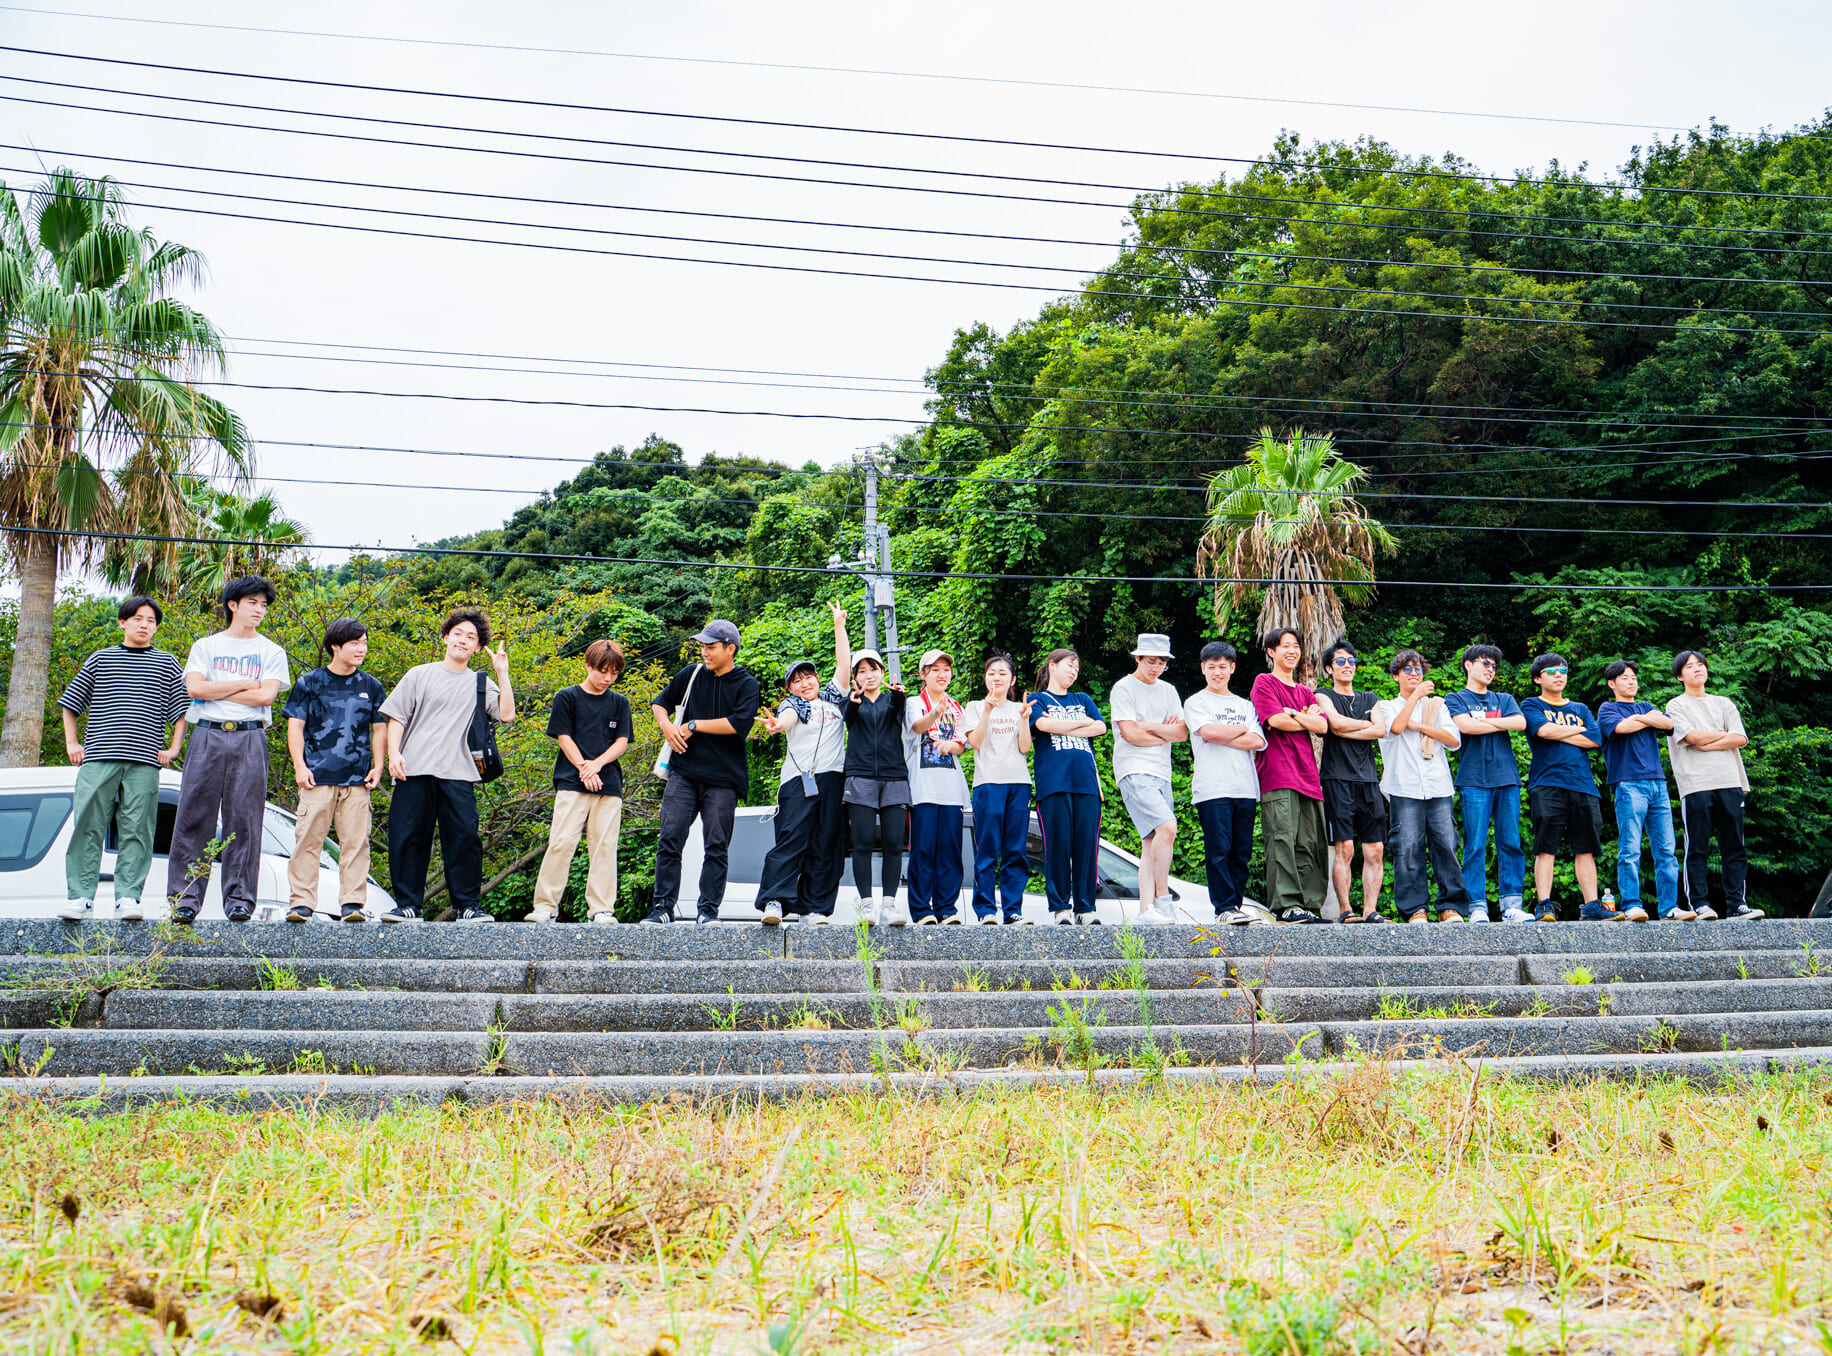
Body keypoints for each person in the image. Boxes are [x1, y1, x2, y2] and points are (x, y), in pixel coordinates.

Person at [57, 595, 189, 922]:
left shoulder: (167, 663)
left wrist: (173, 749)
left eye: (151, 621)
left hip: (144, 760)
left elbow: (183, 710)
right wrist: (73, 743)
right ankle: (80, 897)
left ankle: (128, 897)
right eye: (138, 619)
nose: (145, 625)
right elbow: (71, 703)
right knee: (87, 824)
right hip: (99, 756)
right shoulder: (101, 659)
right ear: (123, 622)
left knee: (138, 828)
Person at [167, 576, 290, 925]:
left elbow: (265, 697)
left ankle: (239, 901)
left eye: (264, 605)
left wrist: (215, 688)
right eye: (253, 602)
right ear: (233, 604)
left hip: (250, 738)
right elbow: (194, 688)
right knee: (193, 817)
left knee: (245, 822)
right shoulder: (206, 646)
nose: (260, 610)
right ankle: (185, 899)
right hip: (207, 735)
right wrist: (242, 683)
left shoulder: (271, 651)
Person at [381, 608, 515, 924]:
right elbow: (397, 716)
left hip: (459, 773)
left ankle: (467, 906)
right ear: (445, 637)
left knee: (464, 839)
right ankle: (407, 905)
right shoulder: (419, 674)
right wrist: (394, 754)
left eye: (472, 637)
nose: (463, 641)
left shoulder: (481, 683)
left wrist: (502, 672)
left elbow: (506, 714)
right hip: (414, 769)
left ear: (479, 647)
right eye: (458, 634)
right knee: (408, 837)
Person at [648, 619, 761, 925]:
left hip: (724, 780)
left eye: (711, 647)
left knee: (716, 846)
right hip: (684, 774)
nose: (704, 652)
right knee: (669, 839)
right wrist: (668, 728)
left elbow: (738, 725)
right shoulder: (692, 674)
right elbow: (660, 703)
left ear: (730, 649)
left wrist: (693, 725)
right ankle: (662, 908)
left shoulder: (747, 684)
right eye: (702, 646)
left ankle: (707, 911)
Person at [282, 618, 388, 924]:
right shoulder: (310, 682)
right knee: (307, 843)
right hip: (316, 777)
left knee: (356, 844)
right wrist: (299, 767)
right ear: (335, 646)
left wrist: (378, 766)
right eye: (355, 643)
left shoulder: (371, 686)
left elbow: (380, 728)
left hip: (357, 779)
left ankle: (352, 903)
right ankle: (301, 903)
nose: (361, 649)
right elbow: (295, 726)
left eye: (364, 643)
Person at [755, 602, 850, 926]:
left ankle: (815, 908)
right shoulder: (792, 705)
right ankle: (774, 902)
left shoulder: (834, 699)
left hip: (833, 778)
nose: (804, 683)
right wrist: (778, 725)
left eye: (808, 677)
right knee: (792, 840)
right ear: (789, 688)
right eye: (796, 680)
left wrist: (839, 626)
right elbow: (787, 717)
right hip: (798, 781)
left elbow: (844, 665)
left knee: (827, 844)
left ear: (816, 678)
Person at [527, 639, 634, 925]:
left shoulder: (620, 702)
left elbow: (622, 741)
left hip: (609, 784)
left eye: (614, 673)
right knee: (561, 842)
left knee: (605, 846)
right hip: (571, 782)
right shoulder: (567, 697)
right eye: (603, 671)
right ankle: (546, 906)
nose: (608, 679)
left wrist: (597, 765)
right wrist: (584, 769)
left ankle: (601, 909)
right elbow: (564, 736)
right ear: (588, 665)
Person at [1521, 653, 1619, 922]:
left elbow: (1596, 739)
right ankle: (1544, 905)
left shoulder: (1580, 708)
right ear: (1537, 678)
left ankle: (1591, 905)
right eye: (1551, 671)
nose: (1559, 675)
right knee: (1546, 847)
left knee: (1586, 848)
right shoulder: (1531, 704)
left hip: (1583, 785)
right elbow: (1543, 732)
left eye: (1563, 670)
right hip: (1547, 783)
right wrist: (1577, 732)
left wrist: (1562, 731)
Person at [1375, 650, 1470, 924]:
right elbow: (1395, 728)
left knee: (1446, 845)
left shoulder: (1436, 706)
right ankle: (1414, 908)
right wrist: (1415, 698)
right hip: (1403, 786)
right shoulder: (1386, 706)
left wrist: (1419, 725)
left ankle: (1450, 906)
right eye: (1407, 669)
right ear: (1395, 676)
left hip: (1438, 785)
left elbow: (1453, 739)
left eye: (1418, 669)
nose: (1415, 674)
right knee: (1407, 847)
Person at [1665, 650, 1760, 920]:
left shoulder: (1724, 703)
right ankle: (1700, 904)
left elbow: (1740, 738)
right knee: (1698, 845)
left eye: (1701, 665)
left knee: (1735, 846)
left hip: (1730, 780)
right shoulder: (1676, 705)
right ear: (1679, 676)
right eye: (1690, 666)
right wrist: (1721, 736)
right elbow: (1691, 737)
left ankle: (1737, 904)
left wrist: (1708, 742)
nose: (1697, 669)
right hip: (1695, 783)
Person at [1183, 641, 1268, 925]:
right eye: (1211, 667)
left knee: (1241, 852)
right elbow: (1206, 731)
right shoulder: (1196, 702)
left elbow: (1257, 741)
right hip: (1212, 787)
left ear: (1232, 668)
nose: (1217, 672)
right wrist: (1239, 729)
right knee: (1218, 849)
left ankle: (1237, 906)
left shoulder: (1244, 704)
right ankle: (1223, 908)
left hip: (1245, 786)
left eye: (1222, 667)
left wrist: (1223, 733)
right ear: (1203, 669)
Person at [1249, 628, 1330, 923]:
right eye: (1285, 646)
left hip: (1308, 775)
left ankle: (1309, 904)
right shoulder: (1264, 682)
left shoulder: (1306, 691)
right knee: (1282, 837)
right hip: (1277, 773)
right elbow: (1275, 720)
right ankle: (1286, 905)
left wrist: (1293, 714)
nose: (1292, 651)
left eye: (1295, 646)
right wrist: (1301, 717)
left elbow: (1322, 727)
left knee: (1311, 842)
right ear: (1271, 651)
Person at [1445, 645, 1530, 924]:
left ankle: (1511, 906)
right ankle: (1477, 906)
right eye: (1485, 663)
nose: (1490, 669)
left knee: (1511, 842)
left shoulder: (1503, 697)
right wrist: (1497, 722)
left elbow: (1519, 723)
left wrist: (1483, 721)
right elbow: (1465, 727)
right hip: (1473, 780)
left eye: (1494, 665)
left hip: (1507, 779)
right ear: (1468, 665)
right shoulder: (1456, 697)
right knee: (1475, 845)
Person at [1109, 633, 1187, 925]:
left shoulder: (1168, 690)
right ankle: (1163, 899)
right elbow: (1129, 734)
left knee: (1151, 840)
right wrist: (1161, 733)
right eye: (1150, 661)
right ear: (1138, 658)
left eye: (1161, 663)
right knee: (1168, 828)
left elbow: (1180, 734)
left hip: (1161, 772)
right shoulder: (1124, 688)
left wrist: (1149, 726)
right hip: (1133, 769)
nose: (1155, 667)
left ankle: (1145, 911)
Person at [1598, 660, 1682, 922]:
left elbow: (1668, 724)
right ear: (1612, 683)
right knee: (1630, 849)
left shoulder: (1644, 706)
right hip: (1627, 783)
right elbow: (1621, 728)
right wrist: (1646, 720)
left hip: (1657, 783)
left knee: (1666, 849)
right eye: (1625, 677)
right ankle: (1632, 904)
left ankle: (1670, 907)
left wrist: (1639, 718)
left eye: (1633, 676)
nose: (1631, 681)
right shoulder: (1607, 708)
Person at [1028, 648, 1107, 924]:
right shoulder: (1038, 699)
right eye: (1068, 665)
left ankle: (1085, 909)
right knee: (1058, 847)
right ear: (1052, 665)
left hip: (1086, 783)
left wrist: (1066, 725)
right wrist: (1080, 722)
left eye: (1077, 667)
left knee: (1087, 847)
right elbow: (1042, 724)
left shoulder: (1082, 698)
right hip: (1054, 784)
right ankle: (1061, 908)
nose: (1073, 671)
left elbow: (1100, 728)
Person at [1315, 638, 1387, 924]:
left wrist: (1350, 728)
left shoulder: (1370, 698)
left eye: (1351, 661)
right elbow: (1335, 724)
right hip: (1337, 778)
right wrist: (1364, 725)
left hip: (1368, 780)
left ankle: (1371, 910)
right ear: (1329, 669)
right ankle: (1346, 910)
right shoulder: (1322, 694)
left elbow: (1380, 730)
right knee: (1345, 847)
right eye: (1340, 662)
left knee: (1376, 848)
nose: (1347, 666)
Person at [962, 653, 1033, 925]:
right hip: (988, 782)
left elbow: (1025, 748)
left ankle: (1013, 910)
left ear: (1012, 679)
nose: (997, 678)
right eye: (992, 673)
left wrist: (1025, 718)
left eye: (1003, 673)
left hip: (1019, 783)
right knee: (987, 848)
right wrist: (989, 711)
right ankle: (986, 911)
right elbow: (976, 743)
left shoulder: (1019, 708)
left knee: (1015, 850)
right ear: (985, 678)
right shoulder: (975, 707)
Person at [842, 648, 909, 926]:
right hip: (860, 776)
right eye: (862, 671)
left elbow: (897, 712)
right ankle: (867, 905)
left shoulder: (893, 700)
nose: (868, 675)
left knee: (894, 842)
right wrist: (853, 703)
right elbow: (848, 720)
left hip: (894, 776)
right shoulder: (852, 703)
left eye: (873, 669)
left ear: (882, 672)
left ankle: (889, 905)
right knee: (863, 843)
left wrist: (898, 696)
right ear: (855, 677)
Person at [906, 649, 971, 924]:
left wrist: (950, 745)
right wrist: (934, 712)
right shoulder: (913, 702)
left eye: (946, 669)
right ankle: (921, 910)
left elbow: (961, 745)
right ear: (923, 675)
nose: (942, 674)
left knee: (950, 850)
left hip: (951, 789)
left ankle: (946, 908)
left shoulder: (957, 707)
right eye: (935, 670)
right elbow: (918, 727)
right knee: (922, 849)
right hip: (922, 788)